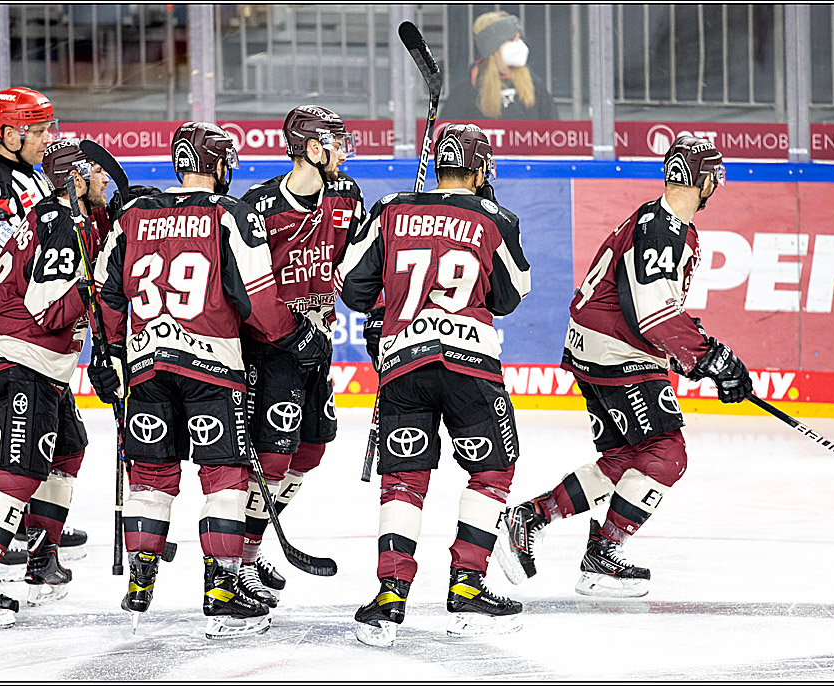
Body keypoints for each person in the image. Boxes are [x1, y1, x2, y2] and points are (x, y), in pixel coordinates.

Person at [90, 121, 329, 639]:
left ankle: (141, 579)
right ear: (219, 165)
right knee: (224, 476)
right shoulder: (230, 214)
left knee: (151, 476)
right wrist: (295, 336)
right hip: (212, 368)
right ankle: (222, 589)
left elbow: (107, 293)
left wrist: (108, 354)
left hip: (146, 366)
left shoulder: (134, 214)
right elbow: (258, 300)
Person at [494, 136, 753, 599]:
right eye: (714, 175)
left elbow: (652, 310)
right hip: (616, 353)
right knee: (666, 454)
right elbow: (653, 316)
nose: (717, 184)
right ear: (700, 180)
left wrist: (701, 361)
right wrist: (711, 358)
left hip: (598, 347)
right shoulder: (662, 231)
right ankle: (601, 554)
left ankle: (532, 520)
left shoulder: (660, 222)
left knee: (624, 459)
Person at [338, 123, 532, 647]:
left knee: (403, 481)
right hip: (470, 367)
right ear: (480, 169)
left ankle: (389, 596)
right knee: (492, 471)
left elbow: (352, 287)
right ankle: (467, 587)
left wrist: (384, 308)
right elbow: (510, 296)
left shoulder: (391, 208)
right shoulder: (495, 218)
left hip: (404, 366)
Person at [0, 138, 113, 628]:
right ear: (75, 179)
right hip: (20, 357)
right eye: (95, 172)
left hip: (38, 360)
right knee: (18, 468)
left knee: (68, 448)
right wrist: (99, 289)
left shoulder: (69, 217)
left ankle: (42, 558)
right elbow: (47, 310)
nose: (105, 178)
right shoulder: (60, 224)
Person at [236, 105, 365, 607]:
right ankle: (241, 559)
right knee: (272, 455)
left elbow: (362, 262)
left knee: (310, 450)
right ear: (312, 148)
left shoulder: (347, 195)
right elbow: (246, 285)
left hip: (318, 343)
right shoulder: (258, 205)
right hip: (270, 349)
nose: (344, 152)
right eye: (336, 143)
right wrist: (288, 333)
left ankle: (251, 544)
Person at [0, 87, 89, 570]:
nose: (47, 138)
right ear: (9, 134)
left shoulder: (31, 174)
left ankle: (30, 522)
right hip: (4, 318)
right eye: (37, 131)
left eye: (48, 128)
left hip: (31, 321)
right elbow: (13, 249)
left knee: (46, 429)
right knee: (8, 435)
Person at [441, 11, 558, 121]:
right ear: (492, 48)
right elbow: (443, 132)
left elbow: (553, 128)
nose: (519, 44)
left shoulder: (534, 86)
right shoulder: (466, 92)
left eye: (519, 38)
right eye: (511, 39)